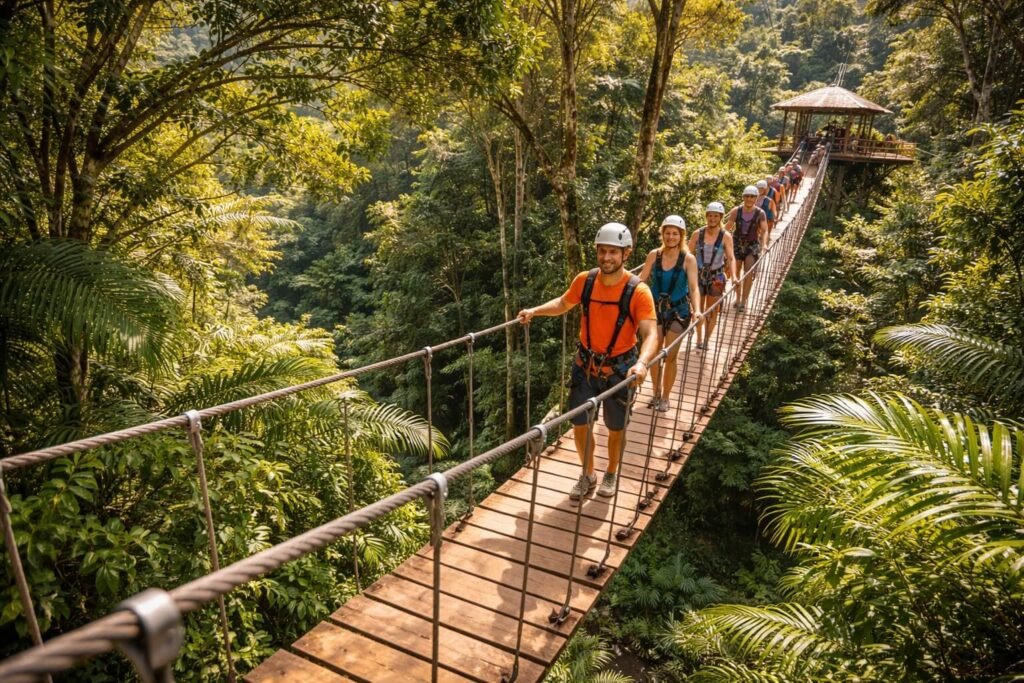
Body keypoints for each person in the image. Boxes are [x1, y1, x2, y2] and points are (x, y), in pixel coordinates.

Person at [518, 223, 658, 500]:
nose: (607, 258)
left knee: (616, 429)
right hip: (585, 366)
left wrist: (642, 363)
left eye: (613, 252)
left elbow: (650, 332)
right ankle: (588, 474)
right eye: (602, 251)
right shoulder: (586, 281)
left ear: (626, 254)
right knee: (580, 426)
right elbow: (563, 303)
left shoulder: (637, 291)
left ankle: (611, 472)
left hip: (620, 370)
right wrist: (535, 311)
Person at [639, 215, 701, 412]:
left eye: (675, 233)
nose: (671, 237)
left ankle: (665, 397)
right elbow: (641, 279)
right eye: (667, 233)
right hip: (655, 310)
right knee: (654, 354)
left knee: (671, 356)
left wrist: (698, 310)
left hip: (679, 311)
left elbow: (693, 287)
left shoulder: (688, 259)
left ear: (681, 236)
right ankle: (656, 392)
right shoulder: (653, 255)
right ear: (662, 234)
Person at [687, 202, 736, 349]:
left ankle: (707, 339)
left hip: (717, 276)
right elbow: (688, 254)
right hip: (699, 275)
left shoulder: (726, 236)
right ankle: (699, 339)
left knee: (712, 310)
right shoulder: (697, 234)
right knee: (698, 309)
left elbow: (731, 257)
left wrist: (734, 275)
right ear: (706, 217)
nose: (712, 219)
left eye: (715, 216)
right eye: (710, 216)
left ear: (720, 217)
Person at [724, 185, 768, 312]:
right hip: (737, 243)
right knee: (736, 272)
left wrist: (764, 244)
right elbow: (728, 227)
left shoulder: (760, 213)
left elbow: (764, 230)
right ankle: (737, 298)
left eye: (752, 196)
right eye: (747, 196)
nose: (749, 199)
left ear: (756, 198)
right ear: (743, 197)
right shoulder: (736, 211)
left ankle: (744, 300)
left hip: (752, 244)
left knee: (748, 273)